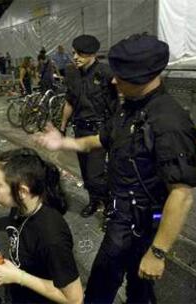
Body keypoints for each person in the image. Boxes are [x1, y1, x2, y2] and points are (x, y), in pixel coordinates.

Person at [34, 33, 196, 303]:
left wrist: (158, 253)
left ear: (142, 77)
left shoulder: (169, 121)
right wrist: (63, 142)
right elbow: (101, 139)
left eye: (120, 76)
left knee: (124, 289)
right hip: (120, 217)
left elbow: (182, 195)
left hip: (142, 225)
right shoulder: (131, 108)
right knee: (116, 288)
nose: (113, 80)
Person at [0, 148, 83, 304]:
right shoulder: (20, 206)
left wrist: (19, 277)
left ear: (23, 191)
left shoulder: (52, 236)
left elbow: (75, 299)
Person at [59, 34, 118, 218]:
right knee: (86, 173)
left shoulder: (106, 73)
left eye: (81, 54)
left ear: (93, 55)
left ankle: (109, 203)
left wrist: (116, 131)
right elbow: (69, 101)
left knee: (95, 175)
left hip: (99, 131)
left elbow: (118, 103)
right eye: (74, 53)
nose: (76, 57)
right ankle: (94, 201)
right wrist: (62, 127)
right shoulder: (71, 73)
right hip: (80, 130)